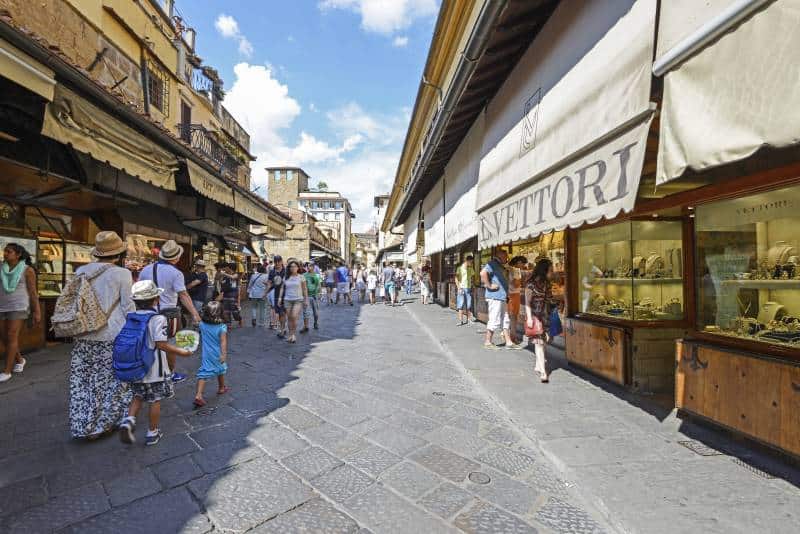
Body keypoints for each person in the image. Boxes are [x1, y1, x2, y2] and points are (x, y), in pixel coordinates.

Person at [69, 231, 134, 439]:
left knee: (84, 380)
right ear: (119, 252)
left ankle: (83, 425)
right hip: (111, 333)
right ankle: (102, 425)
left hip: (83, 333)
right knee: (111, 379)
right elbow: (128, 306)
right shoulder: (122, 274)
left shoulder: (81, 271)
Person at [118, 280, 193, 446]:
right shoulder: (158, 319)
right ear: (156, 300)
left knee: (137, 396)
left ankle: (128, 420)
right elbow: (161, 344)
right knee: (155, 400)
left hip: (136, 367)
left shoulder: (131, 317)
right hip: (154, 369)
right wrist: (182, 352)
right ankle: (152, 432)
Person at [138, 240, 200, 383]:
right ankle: (170, 374)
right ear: (176, 258)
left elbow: (139, 290)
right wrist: (195, 314)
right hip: (168, 314)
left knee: (151, 343)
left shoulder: (146, 269)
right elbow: (183, 295)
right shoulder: (176, 273)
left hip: (148, 312)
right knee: (170, 345)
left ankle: (151, 371)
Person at [0, 243, 41, 383]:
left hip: (19, 306)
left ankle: (7, 371)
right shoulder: (1, 268)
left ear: (18, 255)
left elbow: (33, 292)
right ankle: (20, 359)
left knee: (11, 335)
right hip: (1, 306)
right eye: (5, 251)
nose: (5, 254)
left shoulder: (27, 270)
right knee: (4, 337)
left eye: (9, 252)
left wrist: (37, 311)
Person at [525, 258, 559, 382]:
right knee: (539, 343)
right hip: (535, 316)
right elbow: (527, 302)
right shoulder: (530, 284)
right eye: (550, 270)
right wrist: (529, 318)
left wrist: (557, 303)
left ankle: (538, 365)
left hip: (545, 316)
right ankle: (544, 372)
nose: (552, 272)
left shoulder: (547, 284)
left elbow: (550, 299)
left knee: (543, 342)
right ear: (544, 270)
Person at [481, 249, 522, 350]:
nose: (507, 258)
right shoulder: (493, 264)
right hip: (495, 296)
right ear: (500, 256)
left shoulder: (500, 265)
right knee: (494, 318)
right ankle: (488, 341)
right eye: (505, 256)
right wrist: (489, 285)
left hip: (502, 296)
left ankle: (508, 342)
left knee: (505, 319)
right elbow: (483, 273)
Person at [193, 301, 229, 408]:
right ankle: (201, 394)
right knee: (216, 369)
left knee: (213, 370)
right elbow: (223, 342)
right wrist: (223, 354)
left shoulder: (202, 325)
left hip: (207, 353)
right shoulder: (222, 327)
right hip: (217, 353)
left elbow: (196, 323)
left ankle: (219, 388)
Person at [277, 259, 308, 343]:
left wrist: (306, 300)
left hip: (298, 300)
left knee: (294, 316)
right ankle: (290, 335)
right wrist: (280, 298)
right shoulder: (286, 277)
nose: (293, 268)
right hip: (287, 300)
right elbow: (282, 288)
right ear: (289, 268)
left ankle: (293, 334)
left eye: (295, 266)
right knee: (289, 318)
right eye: (291, 267)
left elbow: (304, 289)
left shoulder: (301, 277)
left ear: (298, 267)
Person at [507, 255, 529, 343]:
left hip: (509, 295)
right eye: (523, 263)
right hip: (514, 295)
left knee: (510, 316)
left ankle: (508, 335)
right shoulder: (516, 270)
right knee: (513, 317)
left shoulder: (509, 269)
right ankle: (512, 338)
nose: (524, 265)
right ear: (519, 262)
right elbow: (515, 284)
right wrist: (522, 287)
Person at [267, 255, 287, 338]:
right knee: (279, 313)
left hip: (286, 295)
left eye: (279, 261)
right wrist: (265, 292)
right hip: (276, 294)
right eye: (276, 261)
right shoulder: (272, 272)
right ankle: (283, 328)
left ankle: (282, 329)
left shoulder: (286, 271)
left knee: (283, 313)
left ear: (282, 261)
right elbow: (269, 283)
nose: (277, 263)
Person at [455, 255, 476, 325]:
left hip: (468, 288)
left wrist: (472, 285)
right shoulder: (459, 268)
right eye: (471, 262)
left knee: (469, 305)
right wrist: (459, 288)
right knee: (460, 305)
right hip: (461, 288)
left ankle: (469, 320)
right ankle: (460, 321)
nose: (472, 263)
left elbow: (473, 277)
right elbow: (456, 279)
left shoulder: (470, 268)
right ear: (467, 261)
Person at [302, 261, 321, 330]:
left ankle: (315, 323)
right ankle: (306, 326)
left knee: (316, 313)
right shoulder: (304, 275)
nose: (308, 267)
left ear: (313, 267)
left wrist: (320, 293)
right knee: (305, 312)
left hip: (315, 296)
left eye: (310, 266)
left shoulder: (317, 275)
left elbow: (319, 285)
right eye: (307, 266)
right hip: (307, 296)